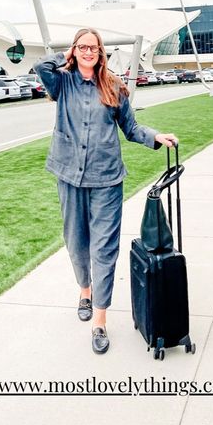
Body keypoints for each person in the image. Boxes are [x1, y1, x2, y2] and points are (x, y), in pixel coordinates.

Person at [35, 28, 178, 354]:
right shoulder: (62, 83)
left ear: (101, 52)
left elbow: (131, 129)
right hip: (68, 176)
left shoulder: (114, 86)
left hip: (107, 181)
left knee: (104, 250)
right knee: (76, 243)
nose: (88, 52)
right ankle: (84, 291)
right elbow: (41, 67)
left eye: (93, 47)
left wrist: (157, 136)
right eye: (82, 47)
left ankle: (99, 320)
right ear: (75, 50)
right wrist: (65, 57)